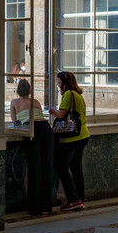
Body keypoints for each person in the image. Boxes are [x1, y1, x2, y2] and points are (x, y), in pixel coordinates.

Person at [9, 78, 54, 217]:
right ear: (30, 91)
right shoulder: (36, 101)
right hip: (46, 129)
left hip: (32, 130)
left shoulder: (14, 102)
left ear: (17, 91)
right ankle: (47, 206)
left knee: (35, 170)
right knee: (47, 168)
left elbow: (15, 122)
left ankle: (35, 209)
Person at [50, 70, 89, 211]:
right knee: (76, 169)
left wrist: (53, 111)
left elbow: (62, 114)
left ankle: (73, 200)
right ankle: (80, 198)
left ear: (65, 83)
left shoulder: (68, 94)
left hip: (71, 138)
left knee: (61, 167)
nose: (58, 85)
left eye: (59, 83)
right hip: (83, 135)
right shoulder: (79, 95)